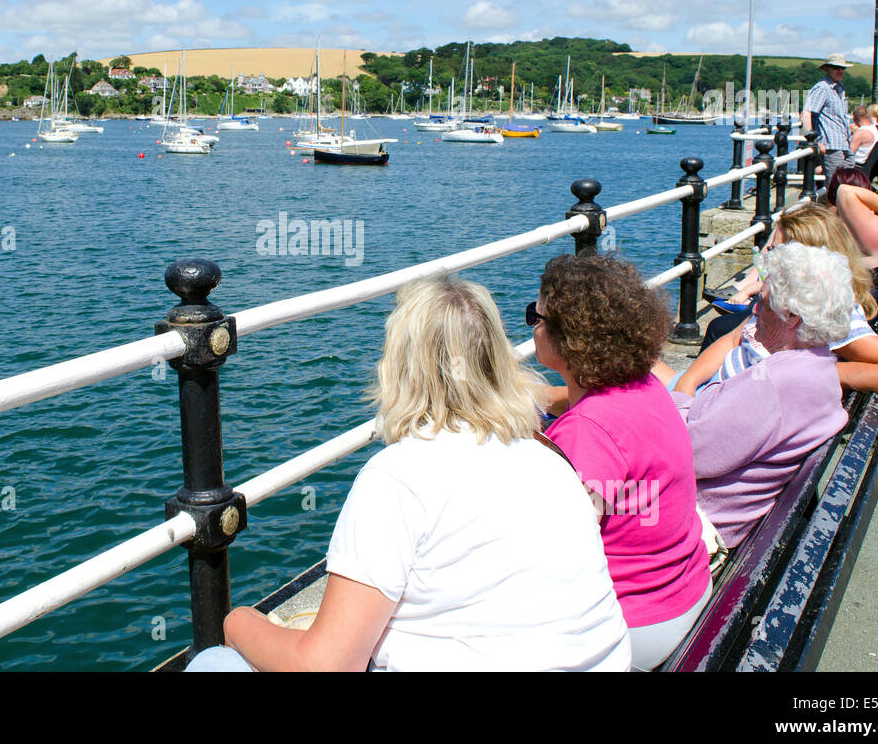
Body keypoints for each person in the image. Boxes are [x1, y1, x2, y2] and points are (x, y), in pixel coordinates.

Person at [206, 276, 631, 672]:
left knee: (214, 664)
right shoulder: (552, 459)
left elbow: (327, 665)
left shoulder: (398, 477)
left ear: (400, 365)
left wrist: (237, 623)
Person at [529, 253, 711, 671]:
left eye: (534, 317)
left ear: (566, 336)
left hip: (635, 622)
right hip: (683, 588)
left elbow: (553, 550)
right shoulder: (643, 385)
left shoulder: (586, 432)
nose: (533, 327)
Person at [679, 243, 854, 549]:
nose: (754, 310)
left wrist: (673, 401)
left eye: (763, 302)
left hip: (693, 523)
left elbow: (685, 454)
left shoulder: (776, 382)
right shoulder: (819, 363)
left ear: (792, 317)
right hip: (728, 516)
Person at [671, 204, 878, 400]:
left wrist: (809, 371)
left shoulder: (832, 310)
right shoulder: (783, 293)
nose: (767, 254)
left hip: (724, 402)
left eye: (776, 249)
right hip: (710, 387)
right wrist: (688, 382)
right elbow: (734, 338)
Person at [801, 53, 852, 179]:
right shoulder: (822, 88)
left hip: (844, 143)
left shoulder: (840, 88)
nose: (840, 71)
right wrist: (812, 140)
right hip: (831, 145)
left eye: (842, 68)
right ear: (827, 69)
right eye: (836, 67)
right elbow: (807, 113)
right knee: (835, 184)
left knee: (845, 182)